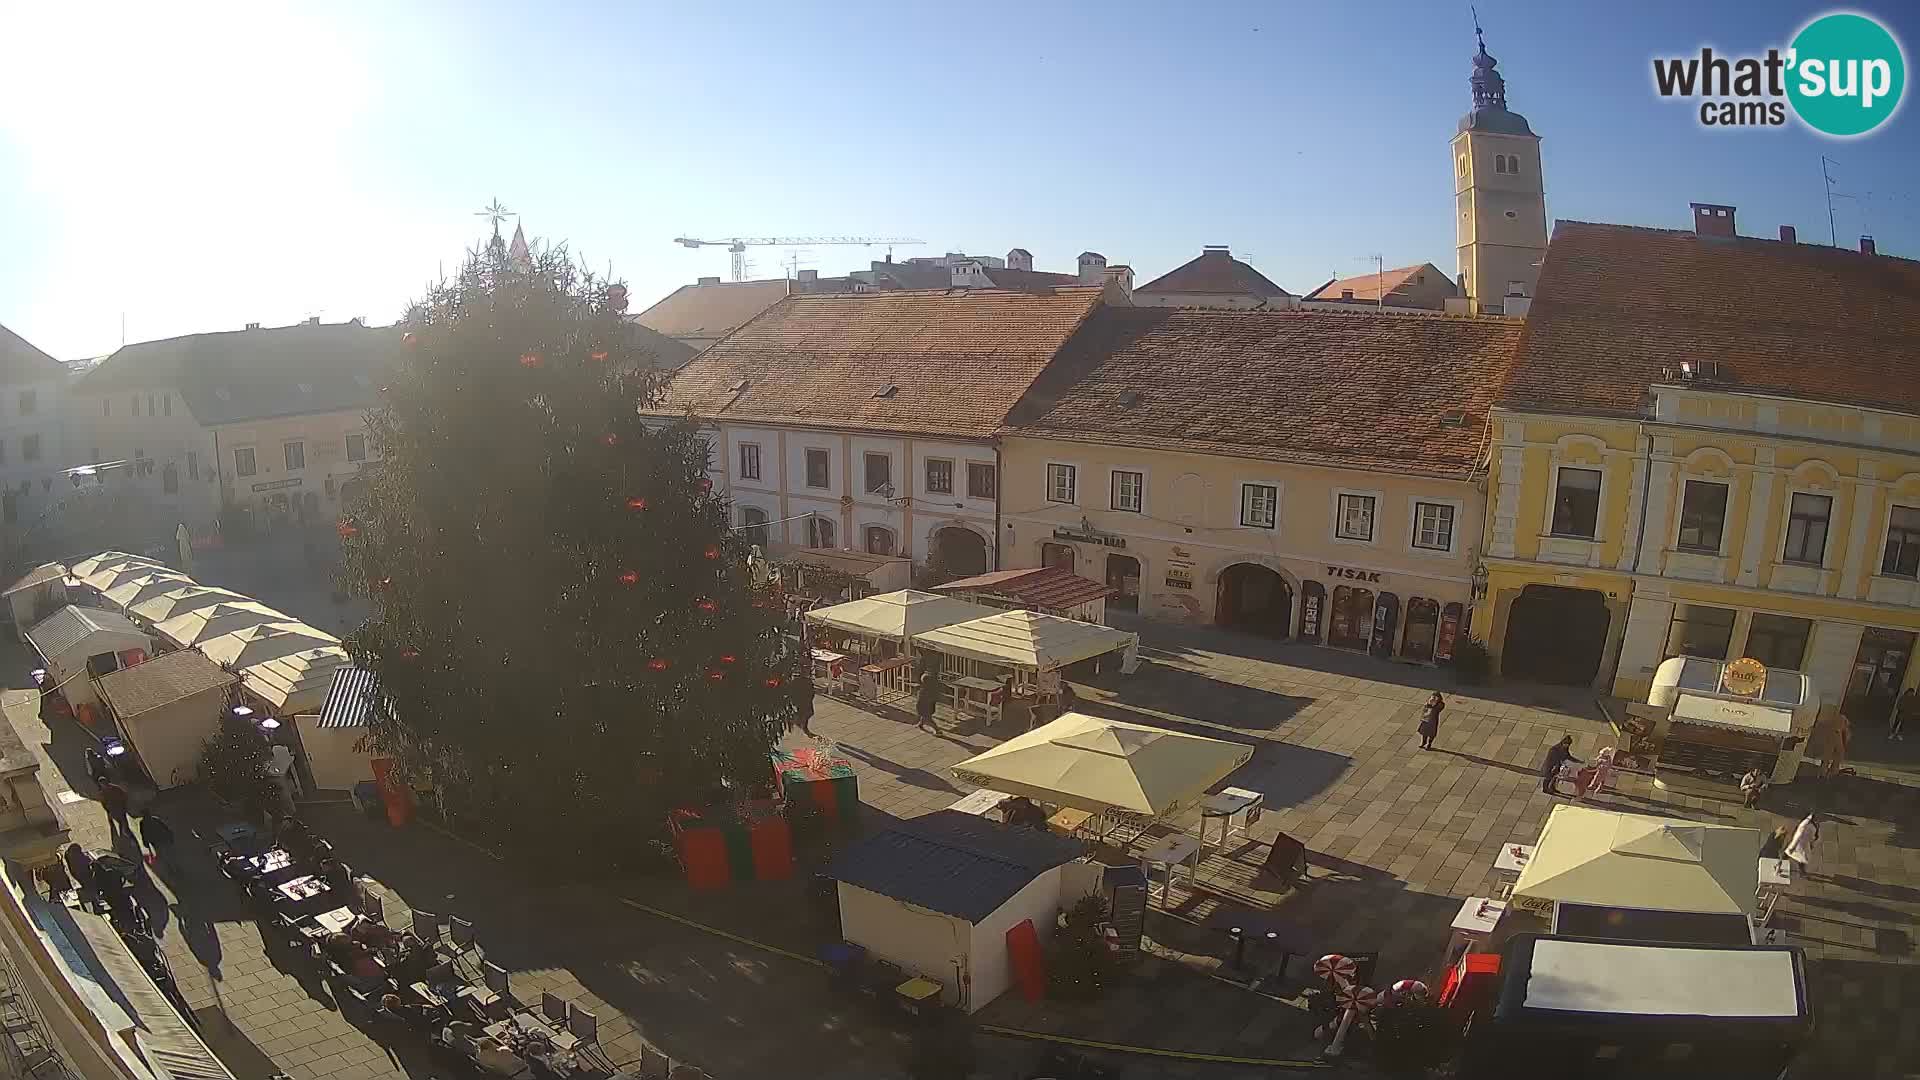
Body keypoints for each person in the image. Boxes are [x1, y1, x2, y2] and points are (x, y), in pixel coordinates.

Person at [63, 844, 97, 911]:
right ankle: (95, 905)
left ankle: (94, 905)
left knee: (89, 892)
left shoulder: (69, 857)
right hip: (85, 875)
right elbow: (88, 861)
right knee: (91, 891)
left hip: (79, 876)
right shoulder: (79, 858)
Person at [1785, 813, 1820, 878]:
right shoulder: (1813, 828)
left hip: (1796, 843)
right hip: (1802, 845)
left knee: (1788, 854)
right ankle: (1802, 872)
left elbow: (1797, 831)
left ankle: (1779, 863)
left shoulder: (1803, 824)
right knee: (1801, 858)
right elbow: (1813, 838)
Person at [791, 667, 816, 738]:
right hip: (802, 699)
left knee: (808, 712)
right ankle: (803, 726)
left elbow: (812, 690)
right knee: (806, 712)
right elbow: (792, 692)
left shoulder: (806, 681)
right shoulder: (798, 681)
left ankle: (799, 722)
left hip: (806, 699)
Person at [915, 669, 942, 733]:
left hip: (924, 708)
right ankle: (920, 724)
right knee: (924, 717)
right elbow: (934, 699)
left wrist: (918, 707)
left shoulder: (922, 691)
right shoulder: (932, 690)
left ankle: (937, 730)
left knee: (929, 720)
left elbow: (920, 701)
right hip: (930, 708)